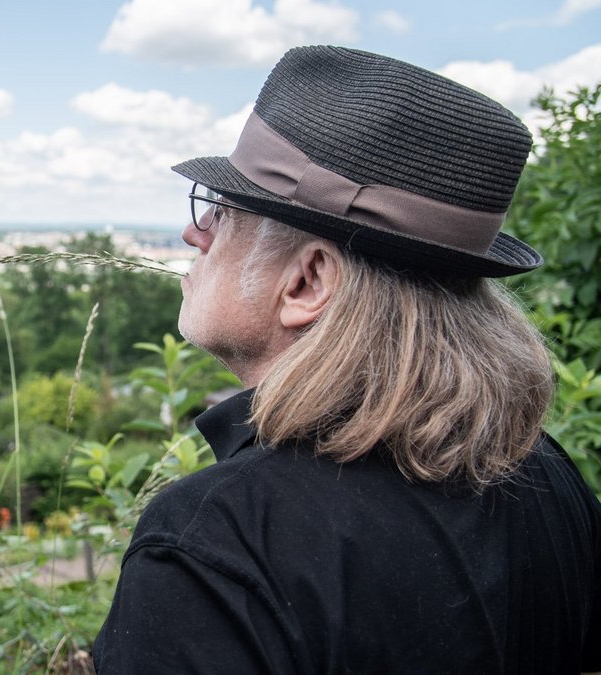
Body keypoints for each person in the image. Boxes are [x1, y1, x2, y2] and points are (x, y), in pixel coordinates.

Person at [91, 45, 600, 673]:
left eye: (222, 212)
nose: (195, 234)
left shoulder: (221, 539)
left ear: (307, 281)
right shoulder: (545, 475)